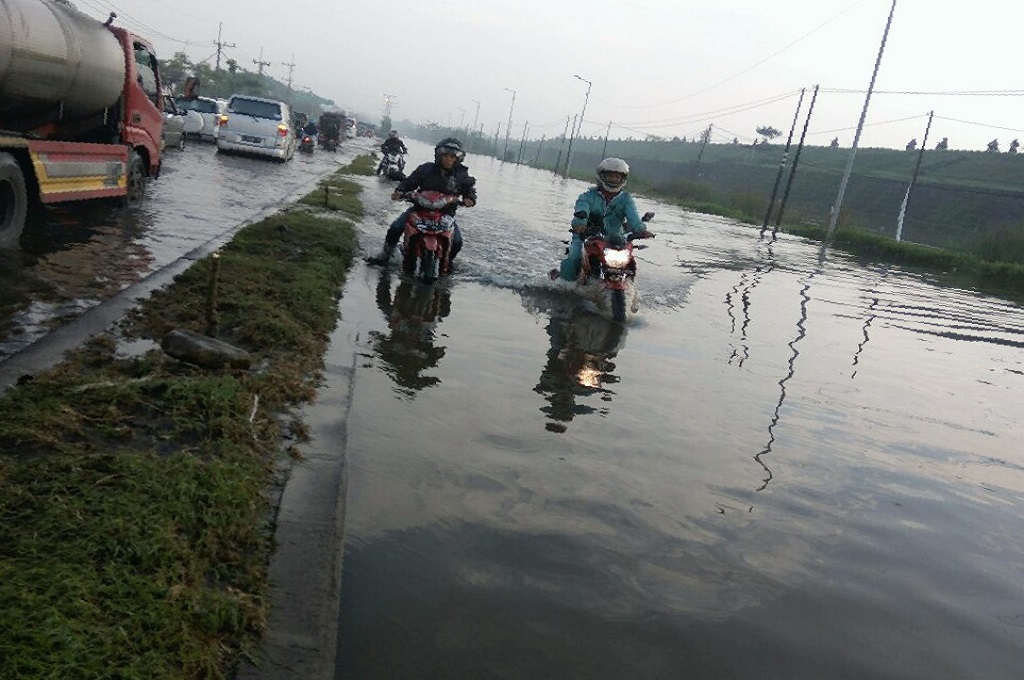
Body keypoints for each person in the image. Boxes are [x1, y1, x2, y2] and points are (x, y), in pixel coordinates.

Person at [367, 137, 477, 265]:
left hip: (446, 213)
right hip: (419, 209)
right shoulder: (426, 169)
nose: (448, 158)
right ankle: (385, 254)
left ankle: (448, 262)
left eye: (452, 156)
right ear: (439, 155)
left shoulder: (461, 174)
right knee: (396, 227)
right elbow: (409, 182)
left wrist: (470, 199)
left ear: (458, 158)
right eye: (445, 155)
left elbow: (469, 189)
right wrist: (400, 191)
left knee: (457, 242)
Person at [550, 157, 652, 282]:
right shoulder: (587, 196)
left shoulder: (626, 199)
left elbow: (633, 217)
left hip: (615, 239)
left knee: (630, 261)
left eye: (617, 177)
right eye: (610, 176)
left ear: (622, 179)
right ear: (601, 177)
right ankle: (564, 285)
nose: (613, 179)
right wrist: (580, 224)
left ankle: (628, 286)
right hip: (587, 235)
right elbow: (581, 211)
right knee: (574, 258)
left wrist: (641, 230)